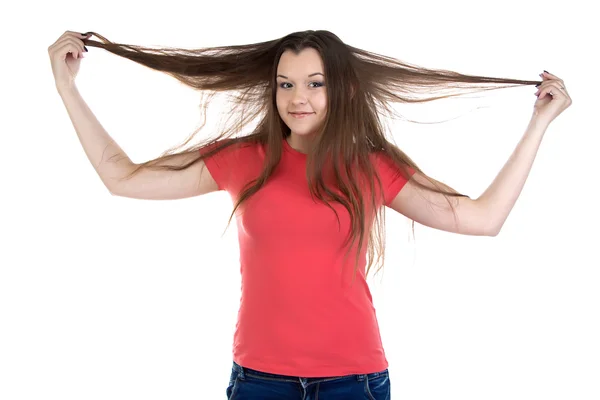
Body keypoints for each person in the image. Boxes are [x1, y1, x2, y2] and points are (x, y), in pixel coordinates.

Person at [48, 29, 571, 399]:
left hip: (354, 383)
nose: (298, 97)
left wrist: (539, 124)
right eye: (286, 83)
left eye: (315, 83)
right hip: (259, 382)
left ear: (341, 88)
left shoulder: (371, 166)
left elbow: (482, 218)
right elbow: (123, 179)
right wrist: (66, 87)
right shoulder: (242, 159)